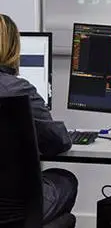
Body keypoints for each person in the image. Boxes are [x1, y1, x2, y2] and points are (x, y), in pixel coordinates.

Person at [0, 13, 78, 224]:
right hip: (14, 213)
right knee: (65, 180)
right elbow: (57, 141)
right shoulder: (18, 89)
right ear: (13, 49)